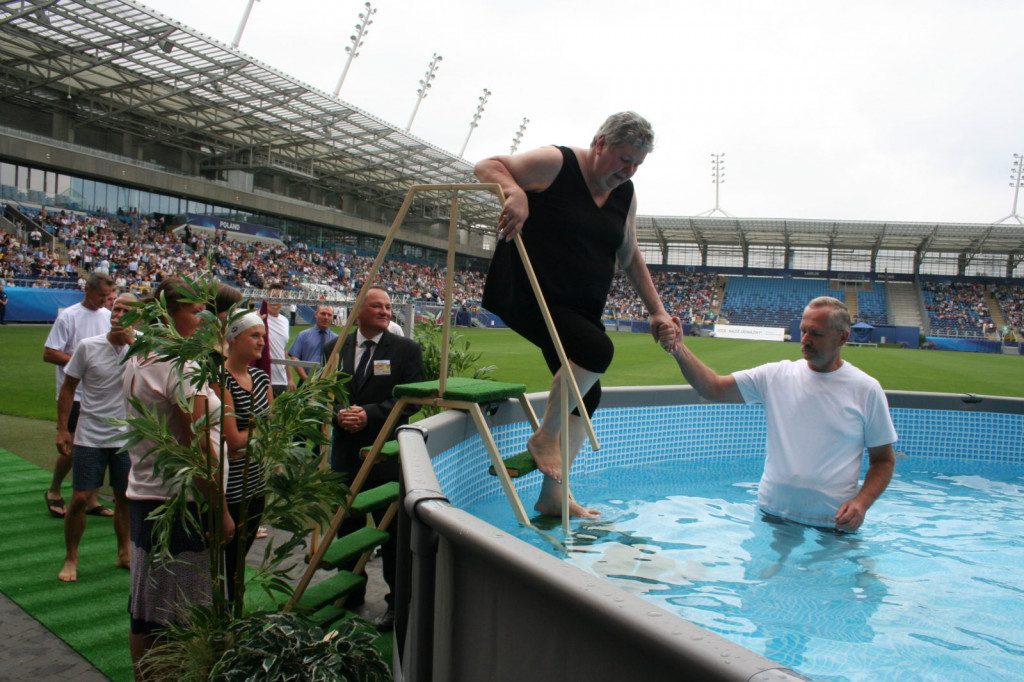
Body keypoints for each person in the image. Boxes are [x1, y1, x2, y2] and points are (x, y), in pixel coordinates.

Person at [475, 111, 675, 518]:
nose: (629, 169)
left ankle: (553, 497)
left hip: (580, 306)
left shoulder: (625, 193)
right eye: (623, 158)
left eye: (637, 163)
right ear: (600, 143)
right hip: (530, 293)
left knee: (589, 394)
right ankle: (543, 438)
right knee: (595, 350)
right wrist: (515, 191)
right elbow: (487, 165)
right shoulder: (557, 163)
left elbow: (628, 252)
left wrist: (658, 310)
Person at [664, 296, 897, 531]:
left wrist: (862, 502)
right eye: (803, 331)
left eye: (815, 333)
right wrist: (679, 349)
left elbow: (884, 460)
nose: (805, 340)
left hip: (832, 523)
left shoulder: (865, 389)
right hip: (772, 514)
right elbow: (712, 389)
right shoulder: (776, 376)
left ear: (842, 337)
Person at [122, 277, 234, 678]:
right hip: (181, 503)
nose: (202, 318)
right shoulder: (181, 364)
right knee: (178, 617)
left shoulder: (142, 356)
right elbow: (198, 446)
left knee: (148, 611)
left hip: (147, 494)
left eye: (206, 309)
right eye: (193, 310)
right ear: (169, 313)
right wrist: (218, 510)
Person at [326, 286, 424, 631]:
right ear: (358, 311)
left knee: (392, 533)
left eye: (388, 307)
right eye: (377, 306)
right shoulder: (335, 347)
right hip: (346, 454)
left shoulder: (406, 350)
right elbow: (326, 392)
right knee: (348, 527)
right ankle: (349, 593)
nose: (385, 311)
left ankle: (397, 604)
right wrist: (340, 413)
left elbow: (413, 400)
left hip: (386, 458)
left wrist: (369, 414)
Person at [56, 294, 136, 582]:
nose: (119, 314)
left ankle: (124, 552)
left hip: (126, 437)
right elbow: (68, 388)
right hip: (90, 435)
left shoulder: (142, 348)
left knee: (125, 498)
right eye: (116, 308)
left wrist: (131, 344)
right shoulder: (88, 346)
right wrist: (63, 428)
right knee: (79, 499)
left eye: (127, 311)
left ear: (137, 319)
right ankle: (71, 557)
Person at [43, 272, 115, 518]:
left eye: (108, 296)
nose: (105, 300)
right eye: (101, 295)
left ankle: (92, 499)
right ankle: (54, 490)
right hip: (73, 392)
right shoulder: (69, 316)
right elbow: (50, 353)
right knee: (72, 446)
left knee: (102, 444)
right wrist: (83, 362)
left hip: (99, 393)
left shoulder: (108, 317)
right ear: (88, 290)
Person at [215, 311, 273, 600]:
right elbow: (232, 439)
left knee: (242, 552)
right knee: (228, 554)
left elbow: (270, 429)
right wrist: (257, 435)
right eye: (255, 335)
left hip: (256, 479)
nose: (262, 342)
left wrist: (252, 437)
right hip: (231, 483)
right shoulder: (219, 379)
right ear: (234, 339)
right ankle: (223, 611)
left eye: (263, 336)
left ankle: (232, 606)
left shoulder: (261, 378)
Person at [287, 304, 337, 385]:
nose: (326, 317)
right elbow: (294, 357)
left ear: (332, 317)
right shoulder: (303, 335)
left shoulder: (336, 339)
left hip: (327, 384)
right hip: (305, 382)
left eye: (329, 315)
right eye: (323, 313)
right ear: (316, 314)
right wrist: (307, 380)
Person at [264, 281, 294, 397]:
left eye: (278, 297)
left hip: (281, 380)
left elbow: (283, 350)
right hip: (263, 379)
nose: (274, 300)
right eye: (271, 296)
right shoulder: (258, 317)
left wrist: (290, 378)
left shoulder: (285, 321)